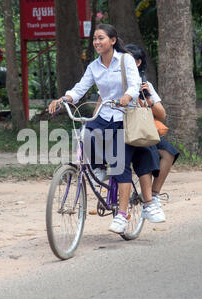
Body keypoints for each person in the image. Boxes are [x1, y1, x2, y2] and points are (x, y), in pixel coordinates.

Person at [49, 24, 144, 234]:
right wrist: (64, 98)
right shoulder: (94, 66)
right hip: (104, 113)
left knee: (120, 166)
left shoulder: (125, 60)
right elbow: (80, 88)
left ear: (112, 40)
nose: (97, 42)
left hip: (124, 115)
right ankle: (99, 167)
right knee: (86, 134)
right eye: (94, 39)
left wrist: (128, 96)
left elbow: (135, 84)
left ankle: (121, 215)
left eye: (101, 38)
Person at [125, 44, 180, 217]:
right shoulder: (116, 81)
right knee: (145, 152)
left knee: (169, 153)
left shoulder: (144, 85)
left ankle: (153, 196)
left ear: (138, 62)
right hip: (122, 129)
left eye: (129, 60)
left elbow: (162, 114)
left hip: (141, 130)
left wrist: (147, 98)